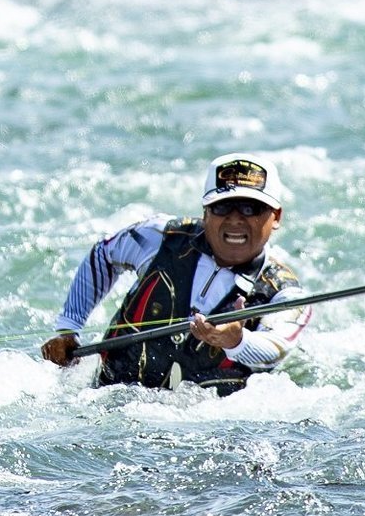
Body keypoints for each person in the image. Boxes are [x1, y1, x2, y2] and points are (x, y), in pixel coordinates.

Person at [40, 153, 308, 393]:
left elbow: (276, 348)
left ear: (276, 217)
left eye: (251, 208)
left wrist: (236, 340)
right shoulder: (158, 238)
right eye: (223, 207)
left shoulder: (285, 293)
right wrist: (69, 328)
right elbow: (103, 255)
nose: (235, 219)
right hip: (107, 404)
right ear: (205, 212)